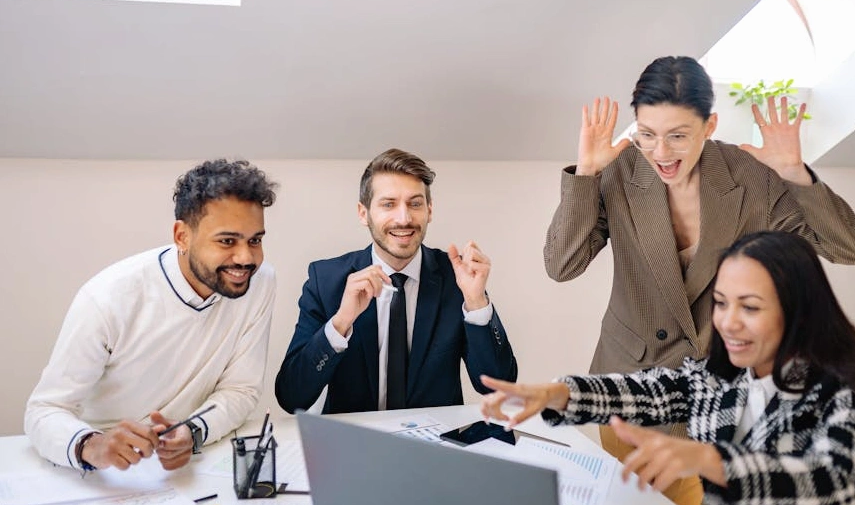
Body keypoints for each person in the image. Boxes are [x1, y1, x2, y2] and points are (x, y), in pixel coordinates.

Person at [544, 56, 855, 505]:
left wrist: (796, 173)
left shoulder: (750, 177)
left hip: (723, 392)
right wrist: (585, 176)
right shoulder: (618, 172)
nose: (661, 152)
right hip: (632, 384)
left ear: (709, 125)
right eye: (647, 133)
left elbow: (851, 248)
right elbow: (562, 265)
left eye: (678, 135)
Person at [483, 231, 855, 505]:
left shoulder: (851, 389)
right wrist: (560, 394)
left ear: (798, 311)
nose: (727, 322)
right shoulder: (722, 378)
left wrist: (709, 458)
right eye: (721, 303)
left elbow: (837, 484)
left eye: (750, 307)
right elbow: (647, 391)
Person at [25, 159, 278, 472]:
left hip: (189, 467)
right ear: (182, 236)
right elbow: (44, 410)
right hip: (101, 472)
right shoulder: (109, 297)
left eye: (255, 240)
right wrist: (94, 446)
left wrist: (193, 431)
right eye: (227, 240)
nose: (245, 257)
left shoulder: (259, 281)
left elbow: (241, 389)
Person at [276, 148, 517, 414]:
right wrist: (341, 322)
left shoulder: (457, 278)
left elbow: (498, 388)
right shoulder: (326, 280)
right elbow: (291, 397)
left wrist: (476, 303)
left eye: (415, 204)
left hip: (434, 447)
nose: (404, 218)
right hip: (353, 446)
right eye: (388, 204)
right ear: (363, 213)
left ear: (429, 210)